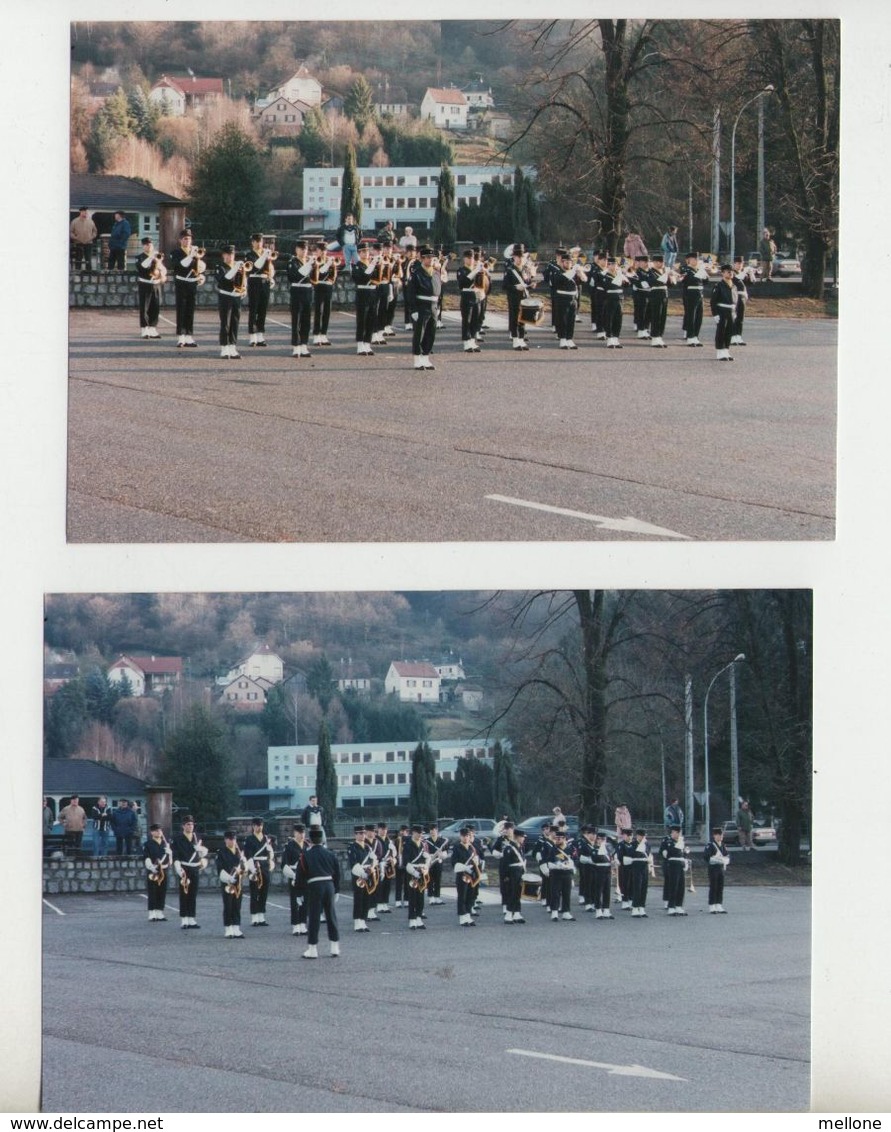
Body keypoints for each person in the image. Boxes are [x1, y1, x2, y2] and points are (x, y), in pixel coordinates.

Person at [298, 826, 341, 958]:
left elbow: (301, 875)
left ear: (310, 839)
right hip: (329, 885)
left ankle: (313, 949)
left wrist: (300, 892)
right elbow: (337, 873)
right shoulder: (330, 854)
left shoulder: (305, 855)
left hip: (314, 886)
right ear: (322, 839)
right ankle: (334, 946)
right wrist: (336, 889)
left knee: (314, 917)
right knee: (331, 916)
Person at [404, 245, 441, 370]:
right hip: (421, 306)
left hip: (433, 306)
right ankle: (417, 359)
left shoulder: (436, 273)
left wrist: (438, 306)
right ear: (422, 259)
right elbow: (411, 294)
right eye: (427, 257)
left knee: (431, 333)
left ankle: (426, 357)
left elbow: (437, 291)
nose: (430, 260)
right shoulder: (416, 274)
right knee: (419, 333)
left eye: (432, 257)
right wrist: (413, 310)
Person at [171, 814, 209, 929]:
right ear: (183, 826)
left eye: (192, 824)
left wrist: (201, 849)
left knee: (193, 894)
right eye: (188, 824)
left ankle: (192, 919)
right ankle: (184, 920)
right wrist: (178, 869)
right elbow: (176, 855)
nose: (190, 826)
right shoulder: (177, 839)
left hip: (195, 868)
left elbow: (202, 854)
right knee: (184, 894)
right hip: (184, 868)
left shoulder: (197, 837)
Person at [169, 229, 204, 348]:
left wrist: (201, 275)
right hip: (181, 283)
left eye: (189, 239)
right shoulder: (176, 252)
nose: (187, 241)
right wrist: (191, 255)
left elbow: (201, 267)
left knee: (190, 310)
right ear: (180, 240)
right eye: (185, 238)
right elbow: (181, 265)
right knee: (181, 309)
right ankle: (181, 337)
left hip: (192, 283)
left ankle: (189, 336)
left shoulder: (195, 253)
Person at [243, 817, 275, 926]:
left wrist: (270, 852)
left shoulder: (266, 839)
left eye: (261, 825)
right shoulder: (249, 839)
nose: (259, 827)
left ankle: (261, 916)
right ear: (253, 826)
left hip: (265, 866)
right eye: (257, 825)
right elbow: (248, 855)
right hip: (255, 866)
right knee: (254, 893)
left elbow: (269, 855)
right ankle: (254, 917)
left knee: (264, 892)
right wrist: (252, 869)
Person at [503, 244, 534, 352]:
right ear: (514, 257)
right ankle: (515, 339)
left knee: (523, 319)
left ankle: (521, 338)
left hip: (524, 297)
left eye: (521, 256)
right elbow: (505, 286)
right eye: (517, 256)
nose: (520, 259)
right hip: (514, 297)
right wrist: (516, 287)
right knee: (514, 318)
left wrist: (531, 285)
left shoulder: (525, 270)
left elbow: (527, 283)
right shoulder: (510, 270)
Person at [245, 233, 274, 348]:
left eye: (260, 241)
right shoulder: (249, 255)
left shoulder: (265, 254)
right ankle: (252, 336)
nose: (259, 243)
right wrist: (265, 256)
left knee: (263, 309)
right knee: (254, 309)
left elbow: (270, 268)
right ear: (252, 243)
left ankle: (260, 335)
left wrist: (271, 276)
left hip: (264, 282)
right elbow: (256, 266)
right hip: (254, 282)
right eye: (256, 241)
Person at [216, 832, 247, 939]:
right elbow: (220, 868)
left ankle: (236, 927)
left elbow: (244, 869)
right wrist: (229, 878)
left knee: (237, 905)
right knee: (228, 905)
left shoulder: (239, 852)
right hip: (227, 882)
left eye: (233, 839)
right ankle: (228, 928)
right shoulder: (221, 852)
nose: (232, 841)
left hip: (238, 882)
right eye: (229, 839)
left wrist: (244, 865)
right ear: (225, 840)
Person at [280, 823, 309, 936]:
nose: (302, 835)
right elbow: (284, 864)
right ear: (295, 833)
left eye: (303, 833)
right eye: (299, 833)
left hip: (305, 877)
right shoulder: (290, 846)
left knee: (305, 901)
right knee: (295, 901)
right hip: (294, 875)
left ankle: (303, 924)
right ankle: (296, 925)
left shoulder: (307, 845)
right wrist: (293, 875)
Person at [552, 249, 582, 350]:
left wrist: (580, 272)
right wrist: (573, 271)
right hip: (562, 298)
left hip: (573, 298)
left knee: (571, 319)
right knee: (562, 319)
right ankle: (562, 339)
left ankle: (569, 338)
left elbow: (584, 280)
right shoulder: (557, 271)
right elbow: (562, 279)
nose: (569, 264)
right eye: (566, 262)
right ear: (562, 262)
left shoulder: (573, 272)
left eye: (570, 262)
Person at [136, 237, 165, 339]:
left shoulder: (157, 257)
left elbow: (163, 269)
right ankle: (144, 329)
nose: (149, 246)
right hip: (145, 284)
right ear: (143, 246)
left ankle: (153, 328)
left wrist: (159, 262)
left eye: (150, 244)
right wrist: (151, 257)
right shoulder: (139, 257)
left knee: (155, 306)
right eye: (147, 244)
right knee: (144, 307)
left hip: (155, 284)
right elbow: (143, 267)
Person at [679, 251, 710, 346]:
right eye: (694, 259)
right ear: (688, 260)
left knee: (699, 316)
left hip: (699, 294)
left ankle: (695, 336)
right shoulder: (685, 269)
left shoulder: (698, 269)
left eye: (697, 259)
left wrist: (704, 272)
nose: (696, 261)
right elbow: (686, 280)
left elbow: (705, 282)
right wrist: (699, 272)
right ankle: (690, 337)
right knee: (691, 315)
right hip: (690, 294)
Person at [451, 827, 480, 927]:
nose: (466, 838)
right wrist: (464, 867)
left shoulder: (472, 848)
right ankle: (462, 917)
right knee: (462, 896)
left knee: (470, 896)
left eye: (467, 836)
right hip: (462, 875)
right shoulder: (457, 847)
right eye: (464, 836)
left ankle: (468, 915)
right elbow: (454, 862)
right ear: (460, 836)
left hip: (471, 875)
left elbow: (476, 859)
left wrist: (476, 861)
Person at [402, 825, 430, 930]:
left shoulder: (423, 845)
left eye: (421, 833)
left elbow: (426, 859)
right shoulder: (408, 845)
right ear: (413, 833)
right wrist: (414, 872)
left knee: (421, 897)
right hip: (412, 872)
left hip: (421, 872)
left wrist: (426, 867)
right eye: (418, 832)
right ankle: (412, 919)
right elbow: (406, 862)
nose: (420, 835)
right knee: (412, 897)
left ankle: (418, 917)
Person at [143, 824, 172, 922]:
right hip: (153, 870)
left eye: (160, 830)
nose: (159, 832)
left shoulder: (165, 844)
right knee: (152, 891)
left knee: (162, 890)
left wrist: (170, 853)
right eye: (156, 831)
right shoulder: (148, 844)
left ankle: (160, 912)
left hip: (163, 869)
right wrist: (151, 867)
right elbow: (146, 857)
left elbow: (170, 861)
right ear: (152, 832)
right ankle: (152, 912)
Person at [711, 263, 740, 362]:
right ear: (722, 273)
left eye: (732, 272)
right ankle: (720, 351)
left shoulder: (734, 286)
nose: (730, 273)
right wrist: (715, 314)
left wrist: (735, 311)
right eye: (728, 272)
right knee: (721, 331)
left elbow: (736, 300)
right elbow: (713, 301)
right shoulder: (719, 285)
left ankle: (726, 350)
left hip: (731, 311)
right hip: (722, 310)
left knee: (729, 332)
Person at [456, 247, 484, 352]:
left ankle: (472, 340)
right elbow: (463, 283)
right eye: (468, 258)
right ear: (464, 259)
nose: (471, 260)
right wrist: (475, 271)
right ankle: (466, 342)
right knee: (466, 320)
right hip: (467, 296)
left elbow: (481, 283)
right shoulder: (461, 270)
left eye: (472, 258)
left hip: (476, 296)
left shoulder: (476, 270)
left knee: (475, 320)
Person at [348, 825, 374, 932]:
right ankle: (357, 922)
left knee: (366, 898)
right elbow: (353, 863)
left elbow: (372, 860)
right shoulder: (352, 847)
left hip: (368, 874)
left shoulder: (368, 847)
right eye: (360, 833)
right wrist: (362, 873)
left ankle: (363, 920)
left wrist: (371, 868)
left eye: (363, 833)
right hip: (358, 875)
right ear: (355, 835)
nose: (362, 835)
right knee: (358, 898)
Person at [311, 240, 337, 347]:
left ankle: (324, 334)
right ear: (318, 251)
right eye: (321, 250)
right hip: (319, 285)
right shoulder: (315, 260)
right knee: (319, 311)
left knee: (327, 311)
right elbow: (319, 273)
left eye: (325, 250)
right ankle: (316, 335)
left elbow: (333, 275)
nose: (323, 252)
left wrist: (333, 268)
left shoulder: (329, 260)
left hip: (328, 286)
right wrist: (327, 264)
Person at [622, 829, 653, 918]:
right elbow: (630, 854)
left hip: (644, 867)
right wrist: (639, 847)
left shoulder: (647, 844)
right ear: (637, 836)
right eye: (641, 836)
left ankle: (642, 907)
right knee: (637, 888)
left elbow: (649, 854)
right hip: (636, 867)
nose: (643, 837)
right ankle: (635, 908)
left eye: (644, 836)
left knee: (644, 888)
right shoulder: (633, 844)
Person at [548, 829, 576, 921]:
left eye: (559, 838)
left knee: (566, 893)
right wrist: (557, 866)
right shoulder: (553, 849)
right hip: (556, 874)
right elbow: (549, 863)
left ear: (564, 839)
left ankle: (566, 912)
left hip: (567, 874)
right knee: (555, 893)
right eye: (556, 838)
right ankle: (554, 912)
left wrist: (571, 868)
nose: (557, 840)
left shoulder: (570, 849)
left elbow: (575, 860)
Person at [500, 828, 527, 924]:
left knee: (518, 894)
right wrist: (505, 876)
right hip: (512, 874)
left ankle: (516, 913)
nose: (523, 839)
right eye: (522, 837)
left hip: (519, 873)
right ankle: (508, 914)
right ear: (516, 837)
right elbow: (504, 864)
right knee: (511, 894)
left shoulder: (520, 847)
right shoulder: (509, 848)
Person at [661, 825, 689, 916]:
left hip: (680, 865)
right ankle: (671, 907)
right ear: (674, 833)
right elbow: (666, 853)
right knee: (673, 886)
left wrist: (685, 861)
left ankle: (679, 906)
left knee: (681, 886)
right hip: (672, 865)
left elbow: (684, 854)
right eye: (677, 832)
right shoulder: (668, 841)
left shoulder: (681, 841)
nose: (679, 834)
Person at [731, 255, 758, 346]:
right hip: (734, 296)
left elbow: (752, 282)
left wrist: (751, 273)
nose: (740, 265)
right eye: (738, 263)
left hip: (742, 297)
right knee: (734, 317)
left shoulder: (743, 273)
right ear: (734, 264)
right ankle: (732, 336)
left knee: (740, 317)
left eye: (741, 264)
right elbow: (736, 279)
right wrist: (745, 272)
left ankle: (739, 336)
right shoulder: (732, 273)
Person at [704, 827, 730, 912]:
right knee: (713, 886)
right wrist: (718, 859)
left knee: (720, 886)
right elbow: (707, 857)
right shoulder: (710, 845)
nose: (721, 836)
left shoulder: (723, 845)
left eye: (722, 835)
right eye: (719, 835)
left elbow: (727, 855)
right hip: (713, 868)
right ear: (715, 835)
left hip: (721, 868)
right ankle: (712, 905)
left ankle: (719, 904)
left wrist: (725, 860)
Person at [425, 823, 449, 905]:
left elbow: (446, 852)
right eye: (431, 830)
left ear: (437, 831)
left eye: (434, 830)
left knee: (438, 880)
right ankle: (431, 898)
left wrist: (442, 855)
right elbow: (424, 852)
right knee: (430, 880)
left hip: (438, 862)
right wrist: (430, 856)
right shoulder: (426, 841)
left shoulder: (442, 841)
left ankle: (437, 897)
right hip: (430, 863)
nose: (432, 832)